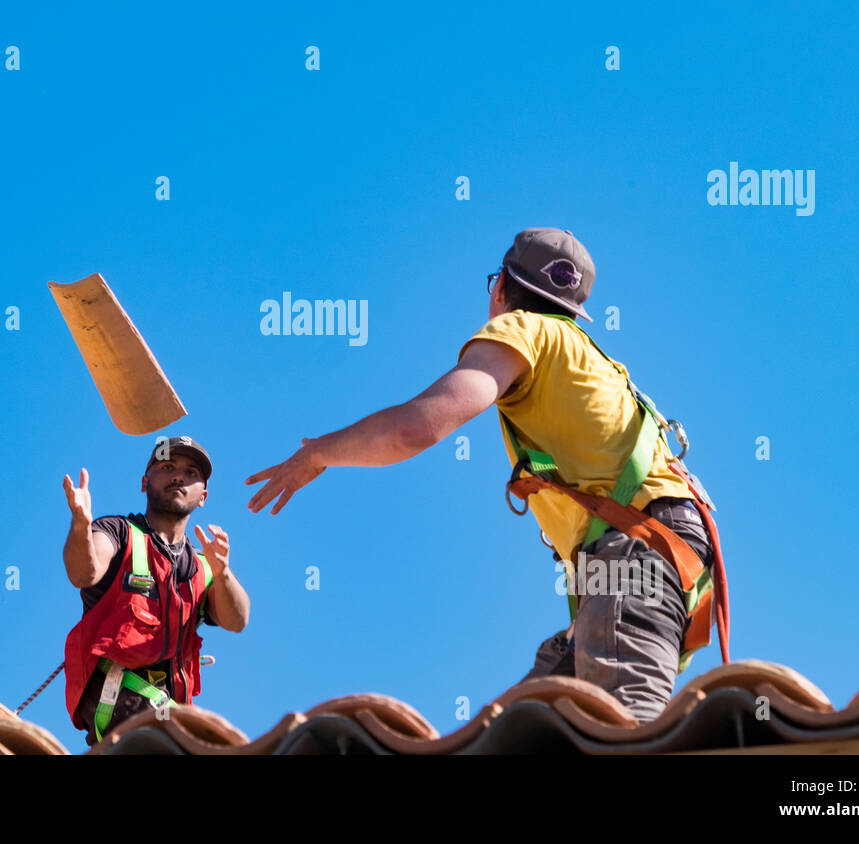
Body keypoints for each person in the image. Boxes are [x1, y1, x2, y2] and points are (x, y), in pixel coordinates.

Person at [245, 228, 724, 722]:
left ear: (500, 288)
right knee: (521, 728)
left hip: (633, 554)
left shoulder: (523, 330)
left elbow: (415, 427)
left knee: (626, 730)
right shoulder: (584, 355)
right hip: (655, 551)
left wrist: (319, 454)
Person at [62, 436, 250, 744]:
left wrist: (223, 572)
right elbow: (84, 571)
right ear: (144, 482)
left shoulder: (203, 567)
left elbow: (238, 620)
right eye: (167, 466)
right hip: (121, 704)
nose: (179, 476)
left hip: (168, 717)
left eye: (191, 472)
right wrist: (81, 525)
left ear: (203, 495)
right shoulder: (118, 533)